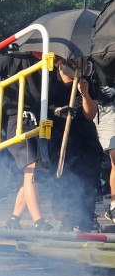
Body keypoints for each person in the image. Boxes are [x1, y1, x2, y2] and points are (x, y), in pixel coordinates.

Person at [0, 50, 53, 231]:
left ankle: (13, 220)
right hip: (18, 119)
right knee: (30, 170)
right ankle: (39, 221)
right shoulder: (11, 59)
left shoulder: (45, 65)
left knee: (29, 175)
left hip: (36, 120)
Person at [48, 58, 102, 232]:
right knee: (64, 180)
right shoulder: (51, 83)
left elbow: (90, 114)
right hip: (61, 139)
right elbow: (45, 108)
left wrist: (84, 93)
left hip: (85, 140)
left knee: (87, 180)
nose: (71, 66)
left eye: (74, 63)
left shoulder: (85, 82)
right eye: (67, 63)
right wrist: (59, 111)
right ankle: (66, 219)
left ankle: (87, 219)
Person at [94, 73, 115, 225]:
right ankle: (87, 211)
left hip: (109, 108)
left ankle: (114, 206)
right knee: (90, 162)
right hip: (95, 108)